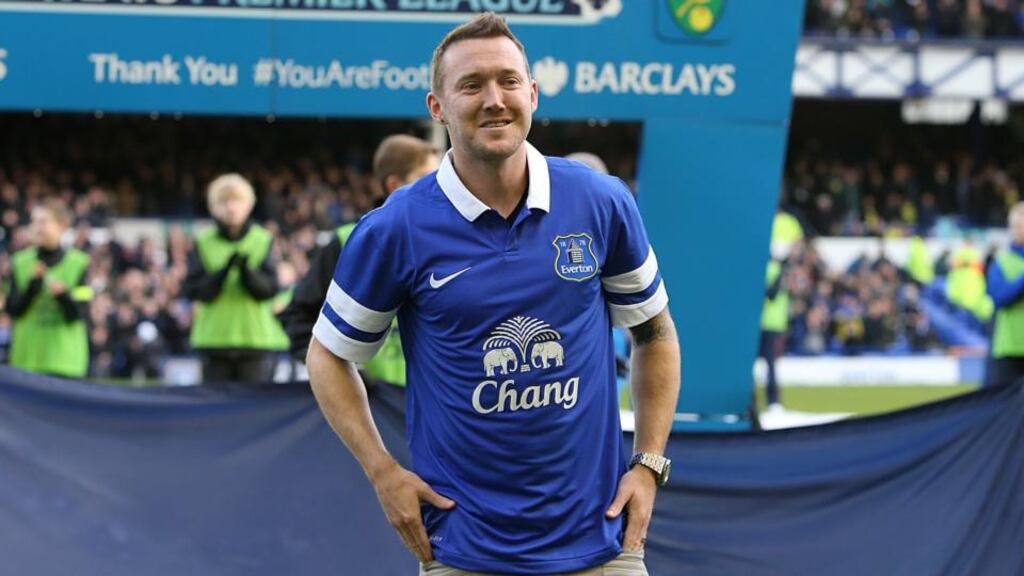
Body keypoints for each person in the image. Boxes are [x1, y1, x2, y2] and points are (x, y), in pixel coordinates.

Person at [306, 13, 680, 576]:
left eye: (508, 81)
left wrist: (648, 464)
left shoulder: (601, 202)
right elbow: (328, 356)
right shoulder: (395, 227)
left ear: (533, 94)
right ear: (437, 107)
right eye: (471, 85)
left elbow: (654, 332)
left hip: (604, 541)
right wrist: (381, 471)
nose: (494, 100)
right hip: (463, 549)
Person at [280, 135, 439, 387]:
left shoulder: (452, 240)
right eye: (425, 177)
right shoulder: (347, 241)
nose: (437, 186)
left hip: (434, 401)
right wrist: (342, 375)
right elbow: (298, 317)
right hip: (372, 401)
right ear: (394, 184)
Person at [183, 173, 280, 383]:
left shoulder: (262, 240)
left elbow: (270, 289)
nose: (231, 208)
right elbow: (194, 290)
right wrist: (222, 273)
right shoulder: (203, 241)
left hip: (254, 339)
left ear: (249, 204)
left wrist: (247, 273)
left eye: (237, 201)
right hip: (213, 339)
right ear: (213, 206)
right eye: (224, 202)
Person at [7, 198, 93, 378]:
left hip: (65, 363)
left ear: (62, 225)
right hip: (27, 361)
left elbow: (81, 313)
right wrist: (33, 285)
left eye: (43, 222)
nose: (37, 228)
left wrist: (63, 296)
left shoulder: (80, 263)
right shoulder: (19, 262)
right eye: (33, 222)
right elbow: (13, 309)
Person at [985, 202, 1024, 387]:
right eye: (1017, 225)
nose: (1019, 230)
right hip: (1009, 346)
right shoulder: (1001, 262)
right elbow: (999, 298)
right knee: (1009, 403)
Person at [760, 255, 789, 411]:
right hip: (772, 324)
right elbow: (773, 294)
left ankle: (750, 401)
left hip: (760, 323)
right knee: (771, 365)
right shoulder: (777, 270)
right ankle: (773, 401)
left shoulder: (761, 268)